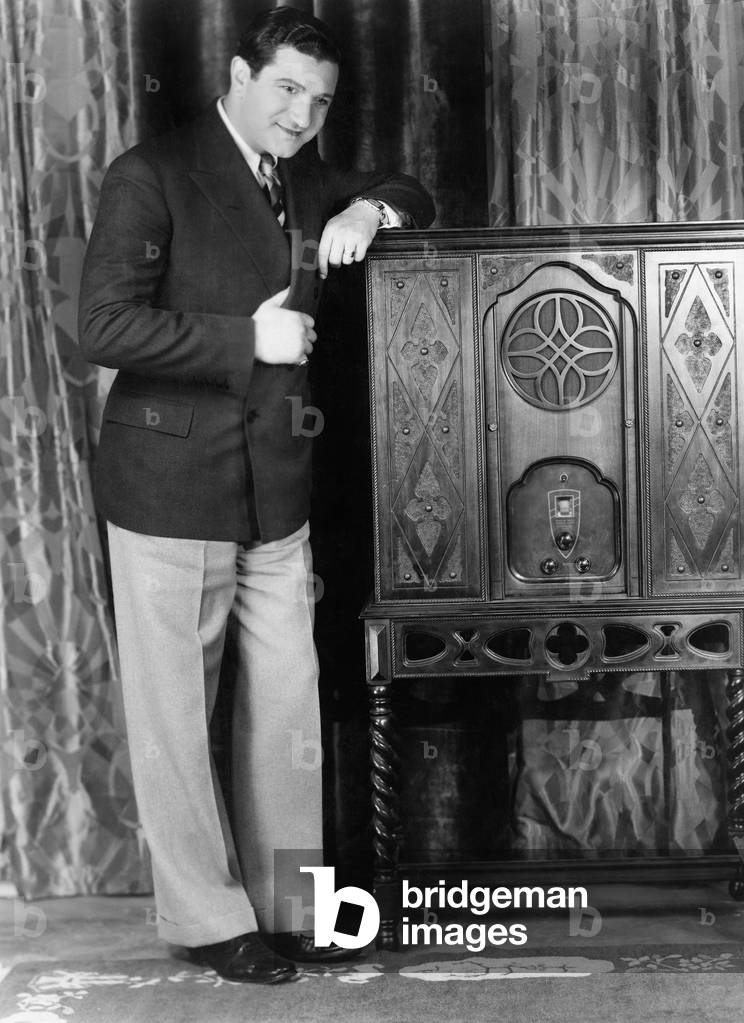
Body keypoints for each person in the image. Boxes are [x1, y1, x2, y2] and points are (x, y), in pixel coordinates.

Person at [78, 6, 434, 985]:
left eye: (316, 101)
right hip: (165, 481)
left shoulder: (308, 178)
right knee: (175, 717)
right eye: (284, 88)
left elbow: (405, 186)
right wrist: (247, 343)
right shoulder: (150, 174)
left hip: (275, 489)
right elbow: (104, 324)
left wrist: (372, 213)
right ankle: (206, 920)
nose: (299, 113)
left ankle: (294, 909)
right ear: (238, 74)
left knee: (284, 710)